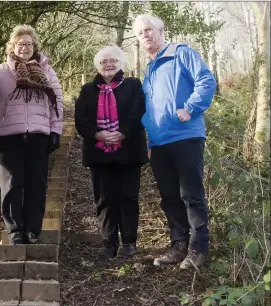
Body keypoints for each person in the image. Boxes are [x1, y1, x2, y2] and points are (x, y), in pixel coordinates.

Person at [133, 14, 217, 269]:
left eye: (149, 29)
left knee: (191, 194)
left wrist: (190, 107)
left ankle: (198, 250)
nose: (145, 35)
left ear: (161, 30)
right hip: (159, 143)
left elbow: (206, 81)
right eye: (140, 33)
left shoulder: (182, 54)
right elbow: (150, 110)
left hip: (186, 136)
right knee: (169, 196)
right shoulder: (150, 70)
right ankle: (178, 246)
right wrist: (150, 141)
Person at [0, 24, 63, 245]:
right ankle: (15, 231)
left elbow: (56, 101)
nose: (24, 48)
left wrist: (55, 130)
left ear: (34, 46)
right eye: (20, 44)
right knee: (11, 184)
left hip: (39, 134)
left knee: (37, 183)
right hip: (8, 135)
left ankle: (33, 230)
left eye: (28, 44)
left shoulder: (46, 70)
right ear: (12, 46)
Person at [75, 45, 147, 259]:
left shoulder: (133, 85)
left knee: (128, 197)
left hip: (129, 150)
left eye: (113, 61)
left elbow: (139, 112)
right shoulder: (87, 90)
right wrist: (98, 134)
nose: (109, 64)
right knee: (104, 199)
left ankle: (129, 242)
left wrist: (123, 133)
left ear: (120, 63)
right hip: (99, 152)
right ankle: (108, 243)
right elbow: (81, 119)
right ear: (98, 65)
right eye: (104, 61)